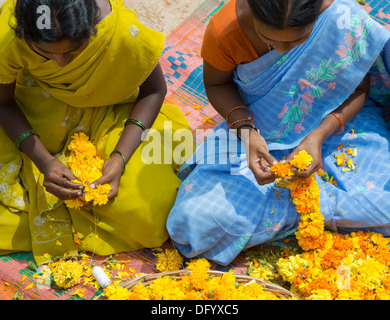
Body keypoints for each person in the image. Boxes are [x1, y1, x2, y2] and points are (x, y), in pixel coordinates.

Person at [166, 0, 390, 266]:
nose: (282, 50)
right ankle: (328, 209)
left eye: (299, 40)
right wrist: (247, 132)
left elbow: (357, 89)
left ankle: (308, 205)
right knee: (194, 224)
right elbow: (216, 84)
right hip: (258, 129)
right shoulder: (225, 30)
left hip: (337, 125)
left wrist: (317, 136)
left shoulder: (340, 17)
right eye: (270, 39)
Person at [0, 0, 192, 265]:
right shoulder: (8, 38)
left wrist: (119, 158)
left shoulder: (119, 33)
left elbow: (154, 91)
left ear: (93, 28)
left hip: (109, 109)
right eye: (45, 53)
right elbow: (3, 102)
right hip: (32, 111)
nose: (59, 63)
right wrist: (43, 160)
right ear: (24, 34)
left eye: (74, 51)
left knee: (147, 213)